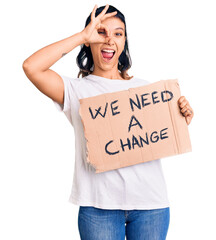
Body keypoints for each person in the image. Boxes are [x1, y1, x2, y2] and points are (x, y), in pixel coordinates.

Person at [22, 4, 194, 240]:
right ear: (90, 39)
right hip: (98, 209)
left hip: (151, 206)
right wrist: (81, 36)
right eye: (101, 32)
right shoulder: (76, 90)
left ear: (124, 41)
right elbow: (31, 67)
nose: (109, 40)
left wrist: (181, 114)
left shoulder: (146, 90)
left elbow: (163, 134)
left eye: (118, 33)